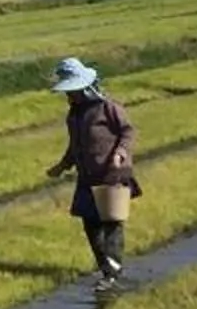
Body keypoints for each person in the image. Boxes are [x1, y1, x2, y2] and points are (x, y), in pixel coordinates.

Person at [46, 57, 140, 281]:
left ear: (85, 88)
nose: (69, 96)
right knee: (90, 224)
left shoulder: (108, 107)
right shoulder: (74, 115)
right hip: (87, 177)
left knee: (111, 225)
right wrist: (62, 166)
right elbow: (75, 146)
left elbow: (128, 132)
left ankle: (112, 274)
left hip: (112, 175)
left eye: (73, 91)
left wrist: (120, 152)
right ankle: (106, 268)